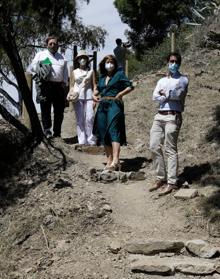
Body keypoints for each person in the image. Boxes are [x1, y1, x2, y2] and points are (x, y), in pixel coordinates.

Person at [149, 52, 189, 195]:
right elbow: (154, 96)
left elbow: (177, 94)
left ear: (179, 63)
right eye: (171, 61)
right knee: (153, 146)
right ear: (167, 62)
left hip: (173, 116)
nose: (173, 64)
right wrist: (166, 95)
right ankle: (161, 178)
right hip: (159, 116)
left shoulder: (183, 79)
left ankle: (172, 182)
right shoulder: (162, 80)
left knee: (170, 148)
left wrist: (164, 94)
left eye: (176, 61)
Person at [93, 54, 133, 171]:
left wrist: (120, 94)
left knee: (113, 129)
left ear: (115, 64)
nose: (109, 64)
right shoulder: (101, 77)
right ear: (103, 64)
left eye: (111, 62)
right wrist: (93, 96)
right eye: (107, 62)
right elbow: (97, 90)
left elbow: (130, 86)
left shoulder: (119, 74)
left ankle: (116, 160)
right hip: (102, 105)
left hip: (114, 104)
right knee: (102, 130)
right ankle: (109, 159)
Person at [30, 35, 68, 138]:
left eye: (55, 44)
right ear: (46, 45)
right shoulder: (41, 55)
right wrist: (43, 64)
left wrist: (65, 86)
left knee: (59, 111)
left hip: (59, 86)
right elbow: (32, 67)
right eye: (50, 43)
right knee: (45, 109)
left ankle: (57, 132)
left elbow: (65, 74)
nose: (52, 45)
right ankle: (47, 131)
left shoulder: (63, 57)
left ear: (58, 45)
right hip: (45, 85)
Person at [70, 50, 96, 145]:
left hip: (89, 96)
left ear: (87, 60)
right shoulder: (74, 72)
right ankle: (82, 141)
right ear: (77, 60)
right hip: (78, 96)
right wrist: (71, 94)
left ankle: (91, 140)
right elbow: (72, 85)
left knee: (89, 118)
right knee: (80, 119)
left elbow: (94, 85)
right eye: (80, 58)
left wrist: (95, 96)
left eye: (84, 58)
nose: (82, 60)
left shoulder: (91, 72)